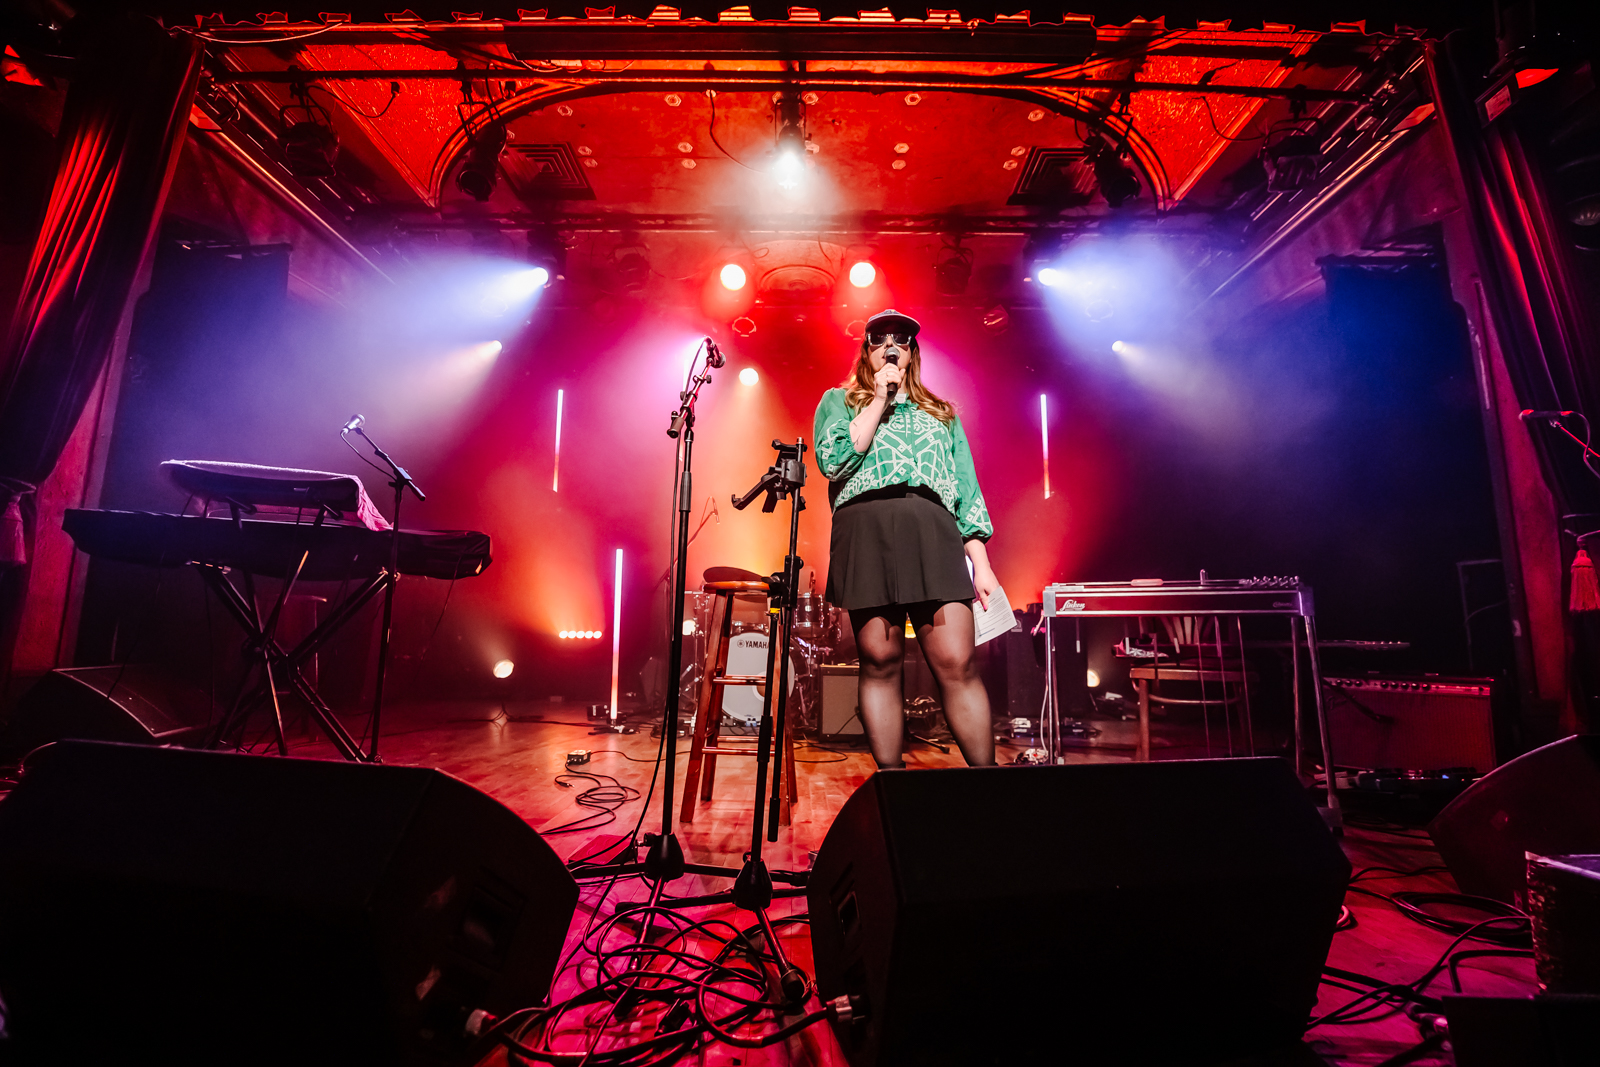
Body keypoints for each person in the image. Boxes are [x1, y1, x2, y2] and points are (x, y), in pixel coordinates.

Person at [813, 309, 997, 770]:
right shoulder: (839, 400)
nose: (891, 346)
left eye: (901, 339)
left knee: (957, 661)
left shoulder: (941, 412)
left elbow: (965, 488)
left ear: (912, 353)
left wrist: (982, 563)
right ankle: (894, 785)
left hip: (933, 530)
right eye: (879, 339)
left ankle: (990, 785)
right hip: (867, 528)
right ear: (867, 351)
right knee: (880, 660)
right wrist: (879, 398)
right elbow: (833, 462)